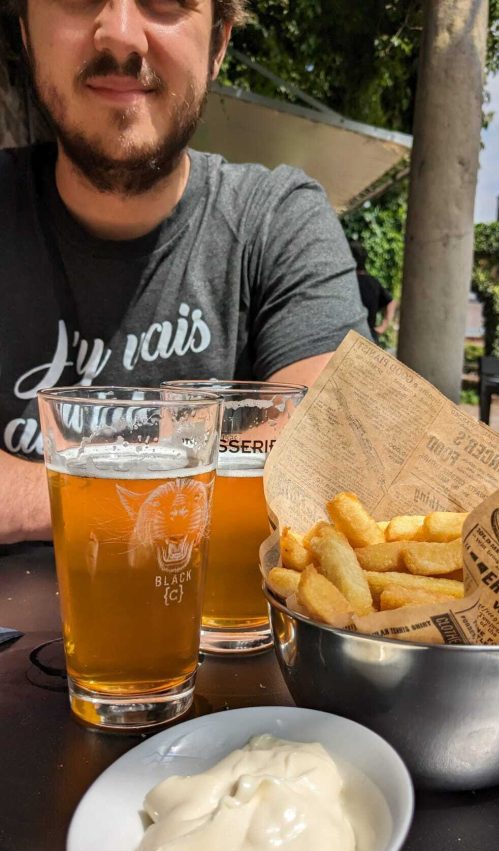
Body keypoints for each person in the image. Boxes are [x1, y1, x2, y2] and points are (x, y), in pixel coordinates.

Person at [0, 0, 369, 543]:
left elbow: (325, 451)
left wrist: (42, 494)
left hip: (221, 626)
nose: (120, 35)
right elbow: (277, 462)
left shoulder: (277, 219)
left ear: (218, 42)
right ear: (27, 34)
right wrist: (219, 469)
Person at [349, 241, 397, 344]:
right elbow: (391, 303)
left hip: (348, 341)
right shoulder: (373, 282)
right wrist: (383, 326)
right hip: (370, 340)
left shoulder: (346, 284)